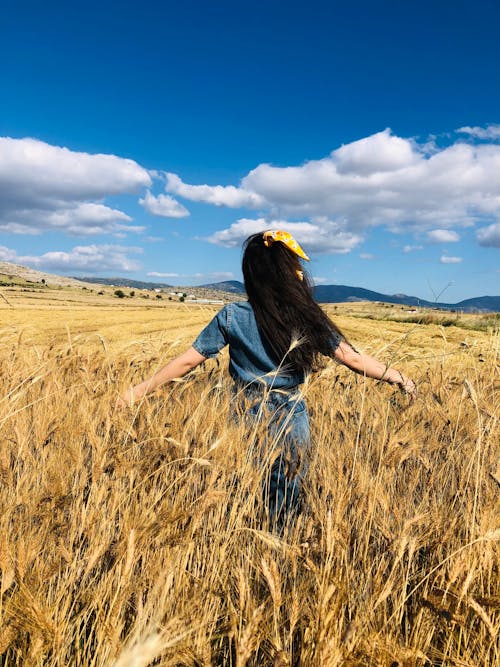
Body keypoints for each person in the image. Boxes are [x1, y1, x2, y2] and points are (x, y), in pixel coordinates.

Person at [119, 230, 416, 529]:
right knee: (287, 486)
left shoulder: (232, 315)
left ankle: (243, 534)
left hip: (243, 410)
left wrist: (139, 390)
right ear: (290, 273)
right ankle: (281, 538)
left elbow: (188, 360)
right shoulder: (305, 315)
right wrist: (398, 377)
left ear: (252, 272)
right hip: (290, 413)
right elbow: (351, 358)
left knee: (245, 482)